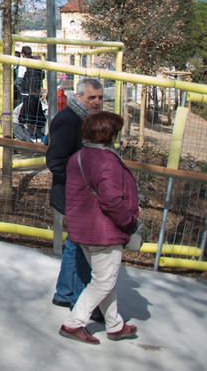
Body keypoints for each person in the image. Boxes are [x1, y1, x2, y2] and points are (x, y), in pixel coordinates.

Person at [59, 112, 139, 345]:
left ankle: (115, 325)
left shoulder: (79, 157)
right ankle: (73, 324)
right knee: (103, 282)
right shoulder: (107, 162)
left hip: (83, 228)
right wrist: (129, 221)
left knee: (104, 279)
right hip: (104, 231)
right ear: (109, 135)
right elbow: (111, 199)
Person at [47, 77, 105, 313]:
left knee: (75, 243)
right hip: (74, 194)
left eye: (100, 97)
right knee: (81, 245)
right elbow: (55, 161)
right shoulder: (69, 121)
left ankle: (64, 293)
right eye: (91, 97)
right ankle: (79, 300)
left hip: (80, 193)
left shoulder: (86, 120)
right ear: (79, 97)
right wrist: (81, 184)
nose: (97, 102)